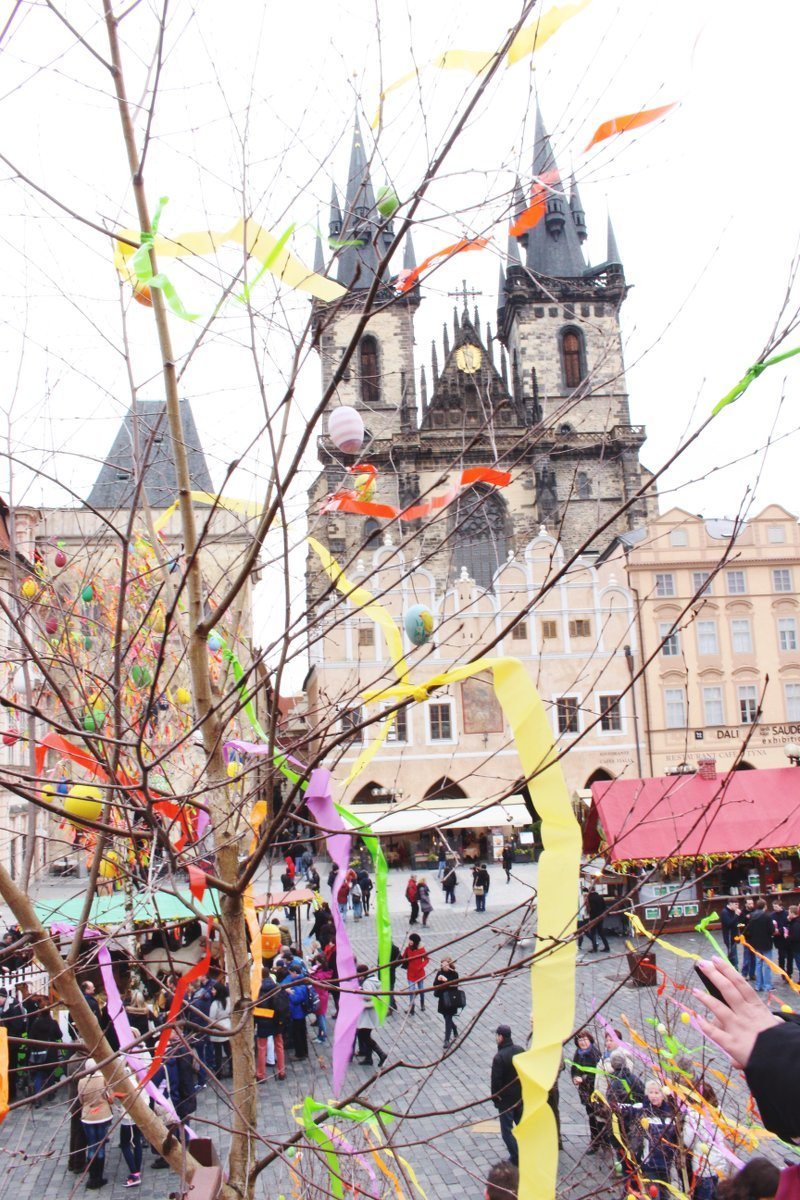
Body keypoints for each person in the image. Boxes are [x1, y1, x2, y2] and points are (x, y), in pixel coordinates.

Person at [490, 1025, 523, 1166]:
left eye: (497, 1035)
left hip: (506, 1101)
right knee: (522, 1125)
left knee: (507, 1131)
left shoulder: (499, 1058)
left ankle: (516, 1156)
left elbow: (496, 1082)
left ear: (501, 1037)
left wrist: (496, 1098)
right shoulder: (520, 1050)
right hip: (521, 1097)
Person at [78, 1058, 112, 1189]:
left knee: (92, 1145)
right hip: (102, 1115)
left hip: (88, 1116)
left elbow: (81, 1099)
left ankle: (92, 1177)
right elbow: (108, 1096)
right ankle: (99, 1176)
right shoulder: (103, 1079)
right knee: (101, 1146)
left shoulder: (82, 1082)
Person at [570, 1029, 605, 1152]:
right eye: (580, 1040)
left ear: (590, 1040)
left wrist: (583, 1079)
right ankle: (596, 1139)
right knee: (591, 1115)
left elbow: (598, 1074)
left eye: (585, 1039)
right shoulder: (578, 1053)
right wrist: (575, 1077)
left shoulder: (594, 1054)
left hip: (594, 1091)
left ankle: (598, 1141)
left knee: (598, 1116)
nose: (583, 1042)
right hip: (585, 1091)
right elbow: (574, 1069)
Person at [255, 972, 288, 1082]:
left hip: (263, 1022)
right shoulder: (277, 988)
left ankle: (260, 1074)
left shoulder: (257, 990)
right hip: (276, 1022)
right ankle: (281, 1071)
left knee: (261, 1049)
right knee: (279, 1046)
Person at [28, 1000, 62, 1106]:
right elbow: (59, 1035)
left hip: (39, 1054)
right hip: (50, 1052)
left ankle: (38, 1098)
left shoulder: (35, 1024)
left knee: (38, 1075)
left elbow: (31, 1038)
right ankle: (50, 1093)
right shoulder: (53, 1023)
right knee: (50, 1073)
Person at [355, 965, 387, 1067]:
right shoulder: (373, 980)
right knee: (365, 1035)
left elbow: (368, 997)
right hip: (371, 1014)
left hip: (368, 1014)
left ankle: (381, 1054)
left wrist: (359, 995)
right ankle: (369, 1058)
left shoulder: (367, 983)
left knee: (364, 1036)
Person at [0, 986, 27, 1101]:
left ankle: (11, 1093)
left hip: (11, 1043)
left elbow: (17, 1026)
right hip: (5, 1042)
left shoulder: (13, 1007)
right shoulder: (6, 1006)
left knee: (10, 1067)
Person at [745, 899, 774, 992]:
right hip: (766, 943)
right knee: (767, 965)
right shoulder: (767, 916)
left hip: (756, 944)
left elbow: (748, 929)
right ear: (765, 906)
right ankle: (767, 985)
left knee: (758, 964)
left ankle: (758, 985)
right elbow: (771, 930)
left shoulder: (752, 916)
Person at [286, 964, 313, 1060]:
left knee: (298, 1034)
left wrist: (289, 993)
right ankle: (304, 1052)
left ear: (294, 973)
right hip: (300, 1012)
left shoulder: (298, 984)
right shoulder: (301, 981)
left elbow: (296, 999)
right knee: (301, 1033)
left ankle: (300, 1054)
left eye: (290, 973)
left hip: (297, 1014)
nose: (290, 975)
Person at [433, 956, 460, 1048]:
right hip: (442, 1000)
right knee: (446, 1018)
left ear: (450, 965)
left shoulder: (454, 974)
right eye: (442, 965)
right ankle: (454, 1027)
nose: (444, 967)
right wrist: (439, 980)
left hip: (451, 1000)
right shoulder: (440, 972)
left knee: (448, 1018)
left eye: (445, 965)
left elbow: (455, 986)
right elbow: (435, 985)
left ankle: (446, 1040)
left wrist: (446, 981)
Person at [208, 982, 232, 1079]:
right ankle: (232, 1069)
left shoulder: (215, 1003)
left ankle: (219, 1072)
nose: (212, 991)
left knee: (217, 1052)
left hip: (217, 1028)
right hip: (227, 1026)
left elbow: (211, 1017)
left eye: (214, 990)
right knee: (228, 1050)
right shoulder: (229, 1000)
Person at [401, 933, 429, 1014]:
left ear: (414, 941)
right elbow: (403, 958)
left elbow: (426, 959)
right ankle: (411, 1007)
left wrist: (420, 966)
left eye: (411, 940)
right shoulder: (408, 949)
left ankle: (422, 1004)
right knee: (411, 991)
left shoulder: (421, 949)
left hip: (419, 973)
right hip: (411, 973)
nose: (409, 941)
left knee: (421, 990)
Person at [310, 954, 333, 1043]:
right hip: (322, 995)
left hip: (320, 996)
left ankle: (322, 1036)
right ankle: (321, 1035)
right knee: (320, 1016)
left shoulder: (320, 974)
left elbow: (315, 981)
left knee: (321, 1017)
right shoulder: (324, 971)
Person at [586, 886, 610, 953]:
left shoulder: (590, 898)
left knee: (593, 932)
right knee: (601, 932)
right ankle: (607, 947)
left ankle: (594, 948)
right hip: (600, 916)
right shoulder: (600, 897)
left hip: (594, 917)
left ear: (589, 890)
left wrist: (590, 917)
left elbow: (590, 909)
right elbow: (604, 906)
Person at [720, 899, 742, 969]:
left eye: (738, 905)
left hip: (734, 936)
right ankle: (734, 970)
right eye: (736, 904)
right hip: (729, 937)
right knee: (733, 955)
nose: (737, 906)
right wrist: (736, 915)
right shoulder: (725, 912)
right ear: (730, 904)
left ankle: (732, 968)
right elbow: (729, 924)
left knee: (733, 954)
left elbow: (736, 924)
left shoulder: (733, 912)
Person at [772, 898, 790, 977]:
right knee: (781, 956)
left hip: (786, 938)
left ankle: (789, 972)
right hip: (778, 939)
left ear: (781, 906)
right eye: (773, 907)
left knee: (789, 956)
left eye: (776, 907)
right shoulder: (772, 915)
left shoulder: (786, 914)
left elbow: (788, 925)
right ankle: (782, 972)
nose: (774, 908)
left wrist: (780, 930)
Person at [740, 897, 757, 981]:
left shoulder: (755, 911)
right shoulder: (742, 913)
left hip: (754, 937)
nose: (751, 905)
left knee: (753, 957)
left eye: (752, 903)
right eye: (749, 904)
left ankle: (752, 974)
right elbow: (740, 924)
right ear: (746, 904)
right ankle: (744, 974)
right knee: (746, 957)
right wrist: (745, 918)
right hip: (746, 937)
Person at [788, 904, 800, 981]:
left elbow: (795, 937)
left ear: (793, 913)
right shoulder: (795, 922)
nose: (788, 914)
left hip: (797, 947)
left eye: (789, 913)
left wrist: (788, 937)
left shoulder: (796, 923)